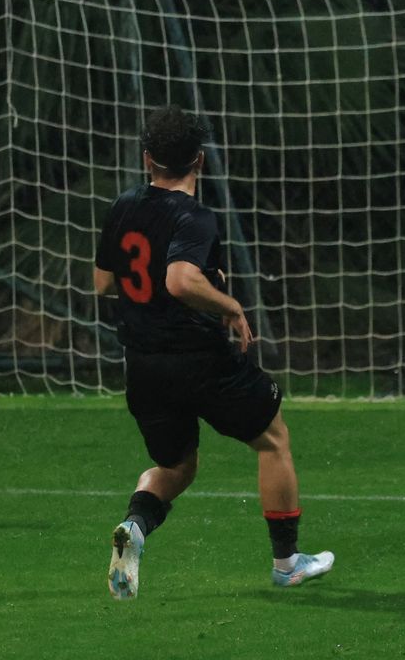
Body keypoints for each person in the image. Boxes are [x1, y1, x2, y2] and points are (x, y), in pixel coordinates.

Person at [93, 105, 333, 600]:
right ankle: (287, 563)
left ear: (147, 159)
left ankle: (134, 527)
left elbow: (103, 283)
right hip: (198, 359)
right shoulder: (194, 216)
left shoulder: (123, 206)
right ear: (199, 160)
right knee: (273, 439)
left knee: (177, 467)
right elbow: (180, 281)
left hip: (143, 365)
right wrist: (229, 305)